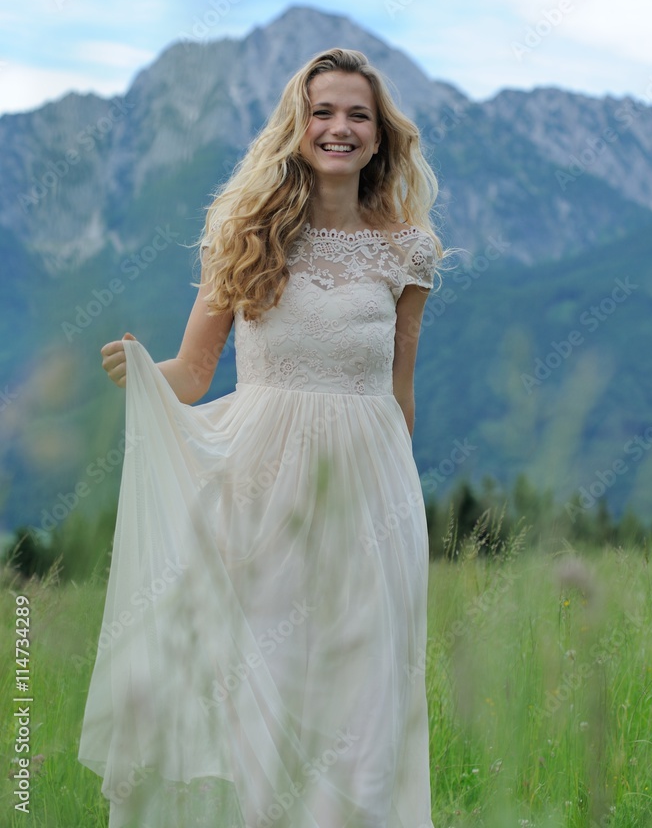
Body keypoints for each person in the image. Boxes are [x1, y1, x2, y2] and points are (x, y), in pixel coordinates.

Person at [78, 47, 446, 828]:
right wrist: (143, 373)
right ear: (297, 126)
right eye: (323, 112)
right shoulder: (244, 233)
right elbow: (195, 370)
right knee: (264, 687)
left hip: (370, 500)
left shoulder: (406, 252)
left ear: (380, 137)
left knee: (362, 705)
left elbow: (398, 388)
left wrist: (400, 508)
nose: (339, 127)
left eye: (357, 115)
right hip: (258, 491)